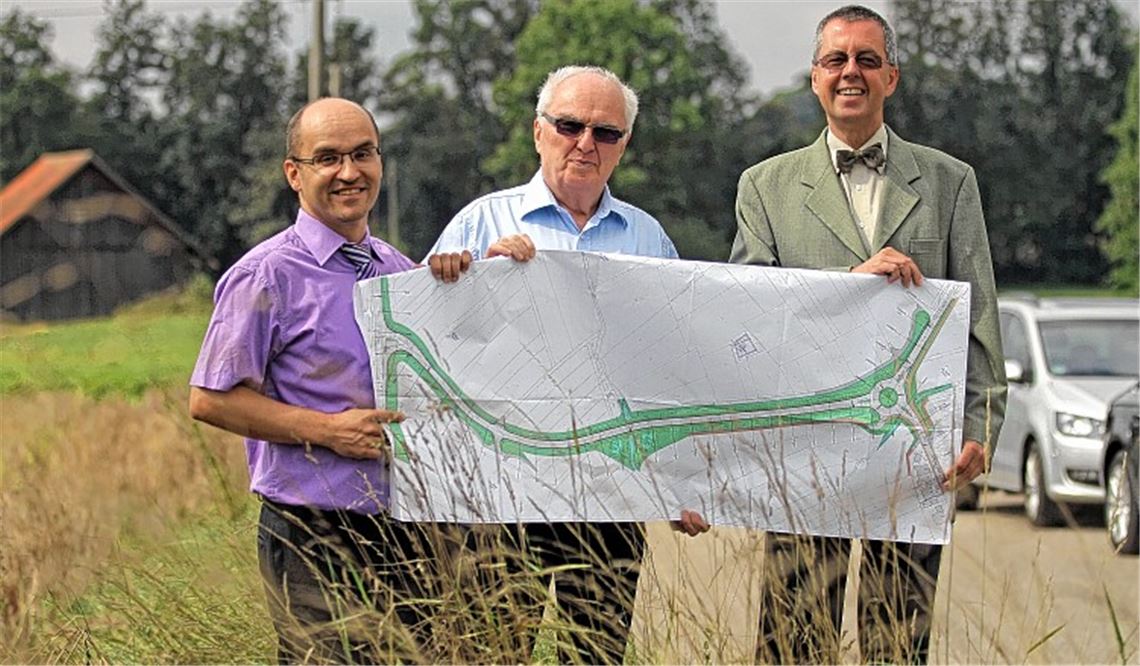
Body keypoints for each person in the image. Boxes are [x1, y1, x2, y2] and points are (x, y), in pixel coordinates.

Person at [729, 6, 1006, 664]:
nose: (850, 72)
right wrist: (852, 282)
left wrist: (981, 429)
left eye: (866, 60)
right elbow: (747, 315)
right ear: (816, 79)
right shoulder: (763, 187)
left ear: (892, 77)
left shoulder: (950, 182)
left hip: (914, 456)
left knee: (897, 643)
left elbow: (981, 319)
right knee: (794, 642)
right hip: (803, 452)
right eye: (836, 60)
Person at [424, 65, 709, 665]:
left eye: (605, 132)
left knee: (598, 657)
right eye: (570, 125)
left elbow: (674, 367)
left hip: (609, 500)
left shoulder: (649, 239)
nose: (586, 143)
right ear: (538, 132)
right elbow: (429, 350)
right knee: (489, 656)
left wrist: (682, 480)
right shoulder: (480, 224)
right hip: (500, 500)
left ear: (624, 144)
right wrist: (483, 283)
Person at [188, 97, 459, 664]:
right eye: (327, 158)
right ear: (295, 173)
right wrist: (327, 431)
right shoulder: (266, 274)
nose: (349, 172)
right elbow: (210, 399)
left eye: (363, 154)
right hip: (314, 535)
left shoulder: (396, 270)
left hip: (405, 531)